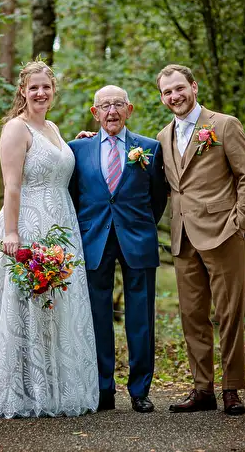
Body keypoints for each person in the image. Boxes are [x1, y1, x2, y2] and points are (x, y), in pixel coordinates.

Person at [0, 61, 99, 418]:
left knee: (53, 308)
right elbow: (12, 185)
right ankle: (23, 390)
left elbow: (55, 162)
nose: (40, 93)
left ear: (54, 91)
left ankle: (53, 387)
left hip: (61, 226)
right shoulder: (15, 128)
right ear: (22, 90)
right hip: (27, 223)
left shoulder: (52, 127)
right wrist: (12, 233)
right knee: (24, 305)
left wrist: (80, 144)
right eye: (34, 87)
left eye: (46, 87)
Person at [155, 64, 245, 416]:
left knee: (229, 314)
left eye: (179, 88)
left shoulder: (223, 125)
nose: (174, 96)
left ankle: (232, 389)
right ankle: (203, 390)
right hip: (183, 238)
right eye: (167, 92)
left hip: (224, 233)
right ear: (162, 97)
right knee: (192, 316)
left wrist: (241, 223)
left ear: (194, 87)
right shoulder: (162, 137)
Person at [68, 85, 168, 413]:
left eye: (118, 105)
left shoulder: (149, 148)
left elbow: (158, 197)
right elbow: (71, 196)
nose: (112, 111)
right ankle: (103, 390)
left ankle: (140, 390)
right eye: (105, 106)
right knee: (96, 317)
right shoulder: (76, 150)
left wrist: (139, 225)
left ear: (130, 109)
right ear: (94, 112)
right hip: (93, 240)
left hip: (137, 240)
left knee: (141, 318)